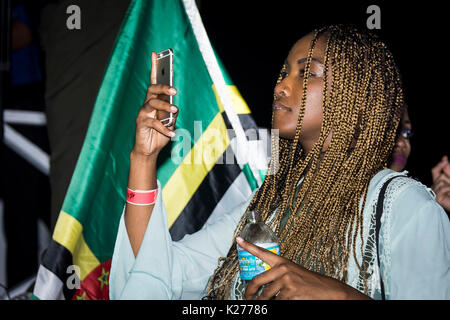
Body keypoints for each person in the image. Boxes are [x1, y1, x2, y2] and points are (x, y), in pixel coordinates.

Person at [110, 25, 450, 300]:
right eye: (284, 72)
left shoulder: (403, 205)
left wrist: (341, 296)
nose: (282, 86)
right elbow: (159, 273)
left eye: (307, 73)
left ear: (354, 93)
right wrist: (144, 158)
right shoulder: (268, 206)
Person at [388, 108, 450, 213]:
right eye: (391, 131)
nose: (402, 143)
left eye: (406, 133)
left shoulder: (419, 201)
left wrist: (436, 204)